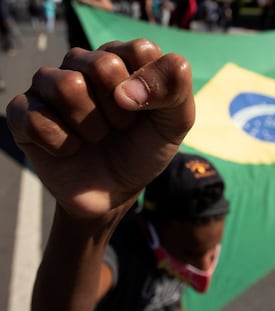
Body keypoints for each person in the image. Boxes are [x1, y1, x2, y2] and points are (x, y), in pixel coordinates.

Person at [6, 38, 197, 311]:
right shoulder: (126, 255)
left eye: (212, 250)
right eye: (191, 252)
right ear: (155, 227)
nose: (202, 266)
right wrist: (85, 225)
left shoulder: (174, 270)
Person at [95, 151, 229, 310]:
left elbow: (172, 300)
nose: (205, 268)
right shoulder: (118, 252)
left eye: (212, 251)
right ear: (148, 228)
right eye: (190, 254)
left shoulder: (178, 243)